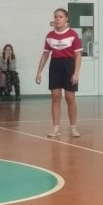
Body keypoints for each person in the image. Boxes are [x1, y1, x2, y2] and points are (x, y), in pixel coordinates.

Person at [35, 8, 82, 138]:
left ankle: (73, 127)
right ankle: (56, 128)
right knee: (55, 97)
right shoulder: (50, 36)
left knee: (69, 98)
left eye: (60, 16)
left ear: (66, 18)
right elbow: (45, 54)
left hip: (69, 66)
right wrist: (39, 72)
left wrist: (76, 73)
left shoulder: (73, 34)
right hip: (55, 66)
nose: (57, 19)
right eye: (56, 17)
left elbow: (78, 56)